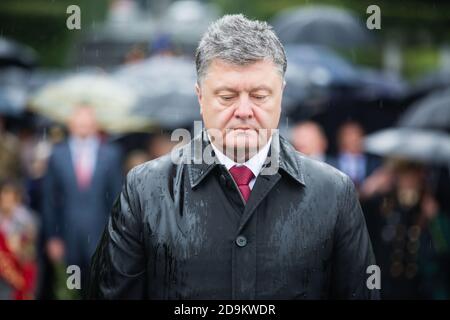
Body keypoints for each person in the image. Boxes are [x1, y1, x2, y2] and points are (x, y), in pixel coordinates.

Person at [89, 14, 378, 300]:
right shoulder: (145, 190)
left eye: (259, 95)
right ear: (200, 97)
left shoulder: (334, 193)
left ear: (281, 95)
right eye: (227, 96)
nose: (243, 110)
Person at [42, 105, 123, 298]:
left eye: (88, 120)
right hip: (68, 236)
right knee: (71, 289)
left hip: (100, 235)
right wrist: (52, 236)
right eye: (79, 120)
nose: (83, 125)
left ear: (95, 124)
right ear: (70, 124)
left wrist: (117, 236)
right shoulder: (57, 154)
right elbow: (49, 199)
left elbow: (117, 199)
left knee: (99, 288)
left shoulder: (110, 154)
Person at [334, 121, 380, 189]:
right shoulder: (330, 162)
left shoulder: (374, 163)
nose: (353, 138)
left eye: (357, 133)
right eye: (348, 134)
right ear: (340, 138)